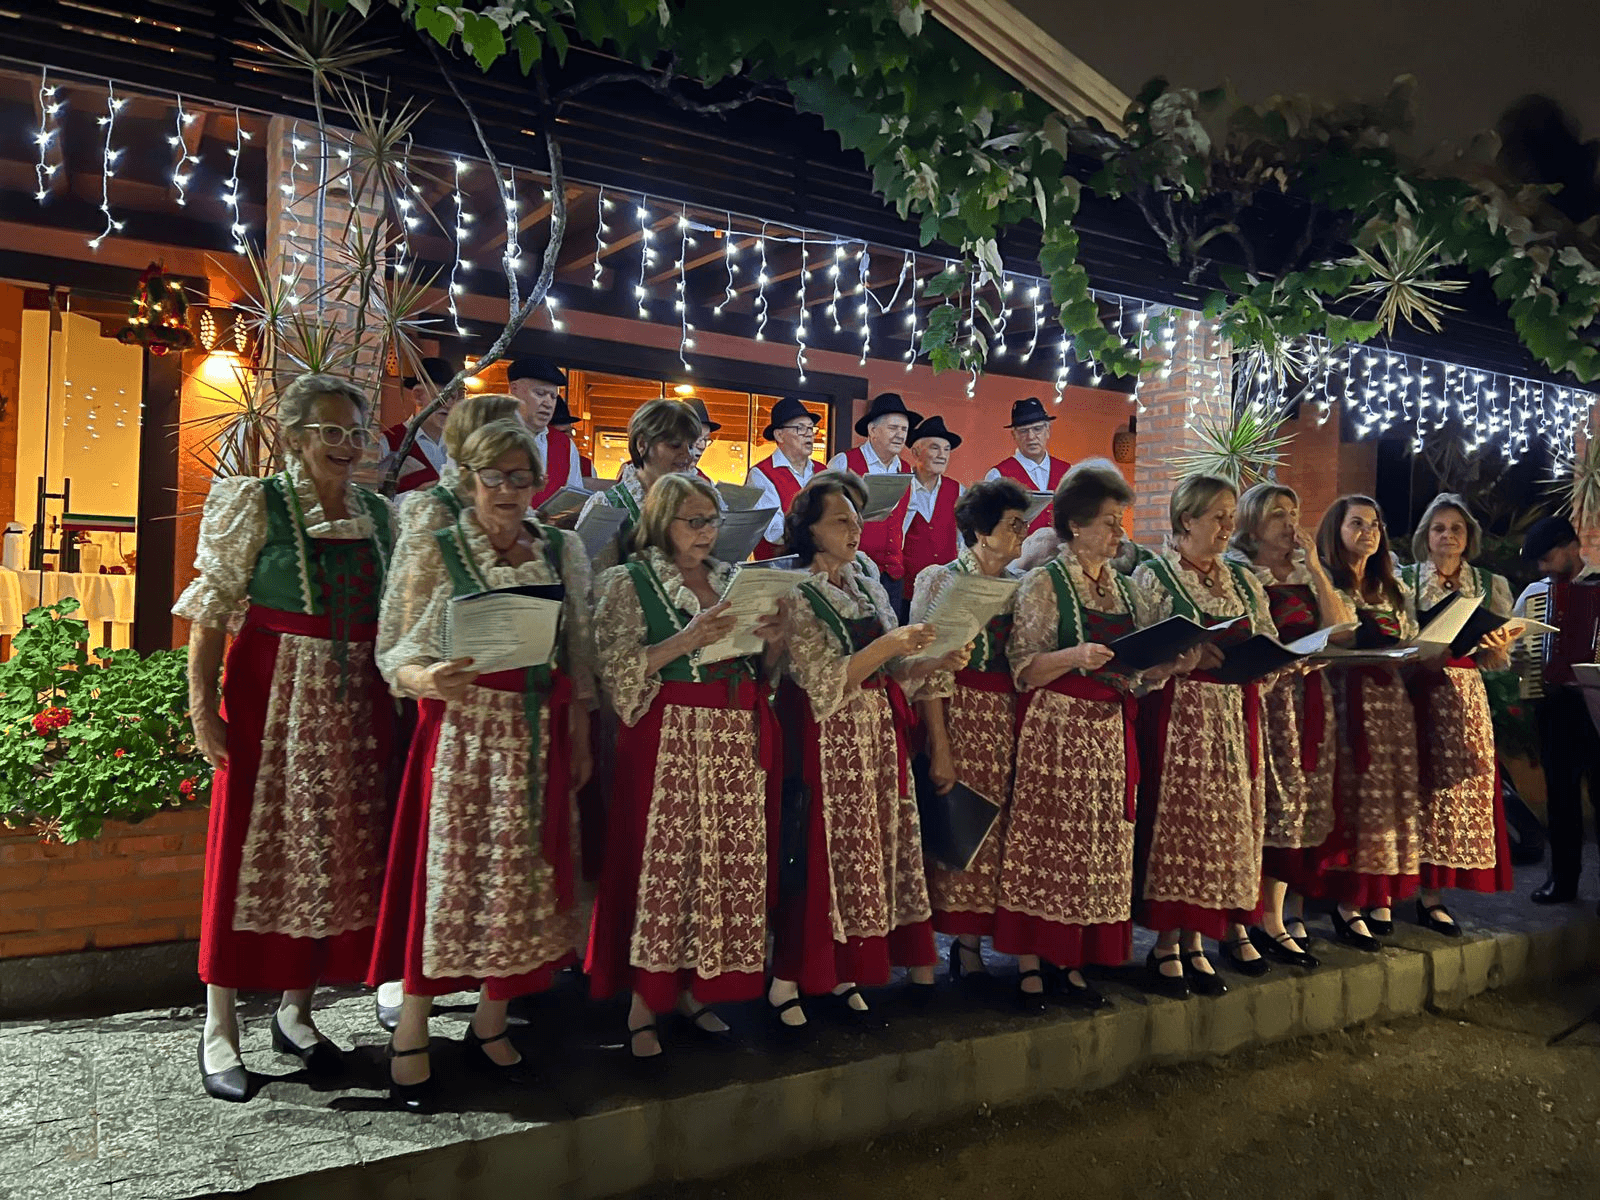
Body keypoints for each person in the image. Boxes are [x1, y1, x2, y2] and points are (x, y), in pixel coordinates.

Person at [175, 374, 396, 1102]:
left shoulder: (379, 516)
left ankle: (297, 1014)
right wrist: (203, 707)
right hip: (270, 700)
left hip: (357, 707)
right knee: (248, 849)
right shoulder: (254, 503)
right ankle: (219, 1027)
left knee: (332, 855)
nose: (346, 444)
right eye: (330, 430)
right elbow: (211, 610)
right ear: (294, 435)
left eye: (355, 432)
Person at [371, 418, 595, 1110]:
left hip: (536, 732)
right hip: (462, 734)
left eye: (520, 477)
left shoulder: (559, 549)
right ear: (467, 481)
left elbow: (578, 654)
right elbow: (394, 651)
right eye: (492, 476)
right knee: (449, 881)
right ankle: (411, 1029)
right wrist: (427, 679)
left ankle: (491, 1021)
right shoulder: (434, 545)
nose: (507, 489)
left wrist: (580, 735)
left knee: (521, 879)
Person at [586, 474, 786, 1059]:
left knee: (720, 865)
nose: (706, 532)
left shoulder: (731, 579)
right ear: (661, 522)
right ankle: (644, 1001)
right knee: (664, 865)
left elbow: (761, 669)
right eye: (693, 521)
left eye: (712, 521)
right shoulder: (628, 580)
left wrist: (775, 639)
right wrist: (687, 638)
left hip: (734, 733)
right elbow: (614, 669)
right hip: (668, 733)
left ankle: (697, 987)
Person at [768, 471, 956, 1031]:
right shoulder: (795, 590)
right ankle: (789, 978)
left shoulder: (867, 582)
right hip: (823, 735)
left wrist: (933, 659)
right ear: (809, 530)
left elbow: (894, 672)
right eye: (839, 521)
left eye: (856, 520)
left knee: (866, 848)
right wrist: (888, 645)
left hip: (875, 733)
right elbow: (820, 680)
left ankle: (844, 969)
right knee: (818, 849)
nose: (853, 531)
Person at [1003, 463, 1192, 1006]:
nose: (1119, 532)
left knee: (1096, 844)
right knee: (1048, 841)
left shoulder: (1126, 590)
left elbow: (1136, 669)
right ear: (1076, 524)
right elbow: (1024, 667)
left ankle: (1072, 957)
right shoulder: (1044, 582)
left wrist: (1166, 665)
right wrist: (1074, 655)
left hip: (1109, 730)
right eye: (1109, 521)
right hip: (1057, 727)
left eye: (1120, 521)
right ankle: (1031, 958)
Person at [370, 390, 523, 1034]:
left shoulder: (528, 527)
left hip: (514, 712)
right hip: (448, 703)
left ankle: (491, 983)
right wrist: (424, 677)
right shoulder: (431, 511)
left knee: (501, 860)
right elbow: (401, 631)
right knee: (436, 852)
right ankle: (411, 985)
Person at [1132, 475, 1276, 997]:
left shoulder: (1242, 580)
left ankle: (1197, 939)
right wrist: (1184, 658)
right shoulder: (1153, 576)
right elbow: (1141, 650)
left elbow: (1268, 638)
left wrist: (1261, 659)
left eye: (1231, 517)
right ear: (1186, 519)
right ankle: (1166, 943)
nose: (1228, 527)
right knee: (1180, 825)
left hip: (1234, 714)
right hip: (1179, 715)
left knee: (1222, 827)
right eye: (1218, 516)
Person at [909, 478, 1027, 990]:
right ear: (981, 531)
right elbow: (925, 669)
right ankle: (936, 952)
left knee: (995, 833)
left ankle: (972, 944)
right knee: (954, 825)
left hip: (1006, 714)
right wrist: (939, 744)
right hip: (957, 711)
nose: (1023, 533)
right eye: (1013, 524)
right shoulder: (942, 578)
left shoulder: (1020, 584)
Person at [1229, 483, 1351, 966]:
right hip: (1267, 698)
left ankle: (1275, 917)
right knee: (1263, 805)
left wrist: (1317, 569)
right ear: (1252, 522)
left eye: (1293, 512)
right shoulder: (1240, 572)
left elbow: (1340, 631)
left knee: (1297, 807)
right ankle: (1244, 920)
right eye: (1277, 513)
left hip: (1309, 699)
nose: (1289, 522)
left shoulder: (1304, 571)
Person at [1399, 494, 1518, 933]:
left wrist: (1496, 647)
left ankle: (1433, 897)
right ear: (1425, 537)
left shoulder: (1487, 583)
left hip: (1464, 693)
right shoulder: (1406, 580)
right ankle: (1389, 889)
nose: (1448, 536)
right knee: (1411, 788)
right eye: (1439, 528)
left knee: (1450, 794)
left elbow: (1498, 660)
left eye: (1456, 529)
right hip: (1415, 690)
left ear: (1469, 538)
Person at [1315, 495, 1422, 949]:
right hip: (1346, 697)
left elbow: (1411, 637)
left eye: (1374, 524)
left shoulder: (1391, 588)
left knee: (1390, 798)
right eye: (1356, 523)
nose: (1368, 532)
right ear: (1336, 531)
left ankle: (1380, 891)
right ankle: (1347, 900)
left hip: (1391, 700)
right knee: (1354, 797)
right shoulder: (1329, 583)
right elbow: (1333, 638)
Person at [1513, 515, 1600, 904]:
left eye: (1548, 558)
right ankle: (1562, 881)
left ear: (1572, 547)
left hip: (1596, 702)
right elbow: (1515, 645)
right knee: (1560, 797)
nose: (1542, 568)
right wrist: (1522, 659)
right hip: (1555, 704)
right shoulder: (1535, 595)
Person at [577, 399, 703, 572]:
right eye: (675, 445)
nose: (688, 455)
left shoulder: (699, 503)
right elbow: (586, 578)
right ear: (642, 444)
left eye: (690, 446)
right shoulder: (608, 505)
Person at [827, 391, 921, 613]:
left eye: (904, 429)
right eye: (893, 428)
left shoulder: (905, 469)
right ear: (872, 430)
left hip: (892, 575)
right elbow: (826, 515)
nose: (900, 435)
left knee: (890, 630)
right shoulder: (844, 463)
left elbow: (908, 513)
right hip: (852, 572)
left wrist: (894, 546)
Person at [898, 416, 965, 617]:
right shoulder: (901, 487)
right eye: (935, 448)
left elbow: (964, 541)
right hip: (905, 591)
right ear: (916, 452)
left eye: (946, 450)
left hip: (945, 590)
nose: (942, 455)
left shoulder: (958, 490)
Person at [744, 396, 823, 560]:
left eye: (811, 428)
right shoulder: (761, 474)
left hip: (819, 567)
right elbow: (775, 532)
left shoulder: (823, 471)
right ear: (779, 435)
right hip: (778, 570)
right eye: (800, 428)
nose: (809, 434)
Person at [984, 398, 1071, 534]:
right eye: (1023, 431)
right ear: (1014, 435)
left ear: (1048, 430)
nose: (1031, 437)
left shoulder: (1068, 472)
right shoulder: (998, 476)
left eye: (1037, 429)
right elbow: (988, 526)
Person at [507, 354, 583, 508]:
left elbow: (574, 501)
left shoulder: (565, 446)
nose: (548, 403)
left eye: (553, 396)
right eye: (540, 393)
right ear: (514, 389)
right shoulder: (488, 434)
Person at [378, 356, 456, 494]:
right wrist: (416, 495)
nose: (448, 404)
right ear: (418, 396)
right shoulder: (388, 443)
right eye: (441, 396)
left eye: (453, 397)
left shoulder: (459, 444)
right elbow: (375, 498)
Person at [549, 396, 593, 478]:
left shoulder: (586, 465)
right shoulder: (536, 461)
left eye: (570, 431)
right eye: (562, 433)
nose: (569, 436)